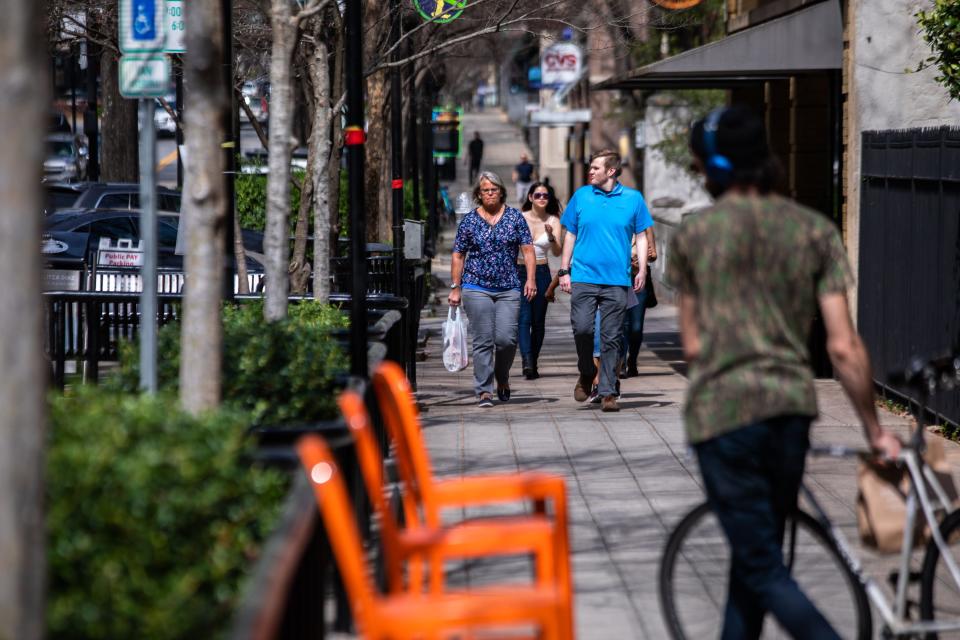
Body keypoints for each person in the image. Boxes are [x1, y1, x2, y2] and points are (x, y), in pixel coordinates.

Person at [667, 105, 901, 639]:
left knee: (760, 564)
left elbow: (694, 345)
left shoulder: (695, 238)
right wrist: (874, 430)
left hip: (723, 417)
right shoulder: (813, 231)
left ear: (716, 169)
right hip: (789, 411)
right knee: (756, 555)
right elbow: (843, 345)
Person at [558, 149, 652, 413]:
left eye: (595, 168)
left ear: (611, 172)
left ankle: (608, 391)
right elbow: (570, 235)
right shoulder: (581, 196)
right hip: (584, 277)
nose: (590, 172)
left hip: (617, 280)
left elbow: (642, 236)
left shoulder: (633, 199)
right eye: (590, 168)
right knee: (583, 329)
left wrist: (642, 270)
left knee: (612, 338)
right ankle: (587, 371)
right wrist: (564, 270)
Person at [449, 171, 537, 408]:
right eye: (485, 190)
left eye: (494, 189)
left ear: (501, 192)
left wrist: (531, 280)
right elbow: (458, 255)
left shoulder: (515, 218)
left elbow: (528, 251)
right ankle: (484, 390)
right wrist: (455, 287)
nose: (489, 193)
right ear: (479, 194)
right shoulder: (469, 220)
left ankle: (503, 377)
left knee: (506, 340)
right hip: (476, 286)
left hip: (509, 287)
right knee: (483, 340)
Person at [517, 182, 563, 380]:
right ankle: (527, 360)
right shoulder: (520, 218)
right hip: (519, 271)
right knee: (523, 318)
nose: (542, 198)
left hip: (543, 271)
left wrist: (551, 236)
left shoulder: (554, 220)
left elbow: (557, 252)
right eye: (538, 195)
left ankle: (533, 361)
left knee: (538, 321)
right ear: (530, 197)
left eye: (545, 195)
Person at [620, 226, 657, 378]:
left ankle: (632, 360)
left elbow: (653, 255)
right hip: (619, 278)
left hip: (639, 279)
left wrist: (647, 257)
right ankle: (620, 363)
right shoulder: (616, 219)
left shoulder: (645, 226)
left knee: (636, 326)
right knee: (622, 324)